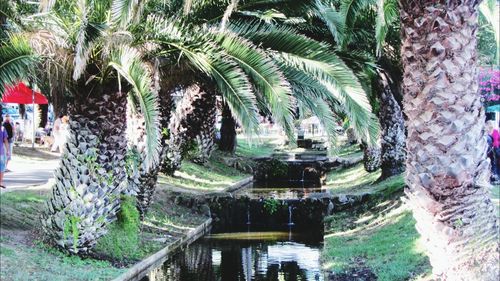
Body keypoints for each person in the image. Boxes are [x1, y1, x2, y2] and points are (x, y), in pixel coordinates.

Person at [0, 116, 11, 189]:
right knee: (2, 167)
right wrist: (8, 150)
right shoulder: (2, 129)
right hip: (1, 152)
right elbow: (6, 141)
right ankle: (0, 182)